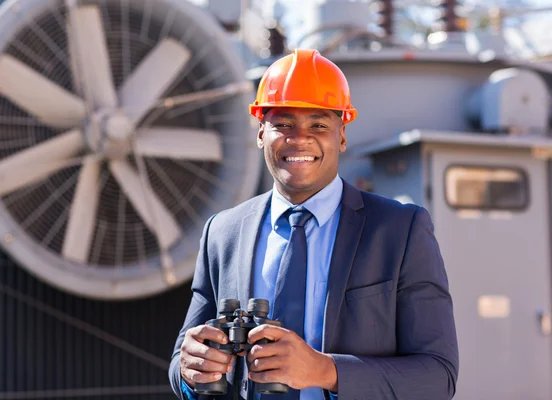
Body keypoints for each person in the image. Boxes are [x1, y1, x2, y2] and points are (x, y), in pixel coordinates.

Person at [169, 48, 459, 400]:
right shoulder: (223, 232)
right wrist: (189, 370)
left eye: (318, 125)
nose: (299, 138)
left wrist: (325, 370)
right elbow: (182, 360)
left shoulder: (400, 230)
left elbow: (437, 377)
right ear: (261, 132)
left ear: (341, 135)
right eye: (283, 124)